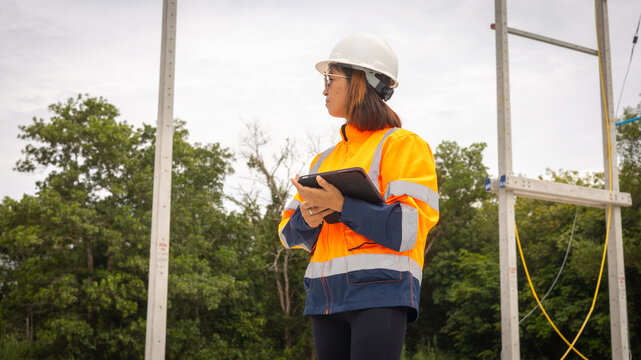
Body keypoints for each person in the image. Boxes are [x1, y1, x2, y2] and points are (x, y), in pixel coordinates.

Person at [278, 33, 439, 360]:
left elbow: (407, 229)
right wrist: (308, 217)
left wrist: (341, 205)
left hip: (380, 294)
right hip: (325, 299)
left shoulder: (403, 146)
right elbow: (287, 233)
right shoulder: (323, 160)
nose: (324, 89)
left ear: (359, 82)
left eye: (330, 78)